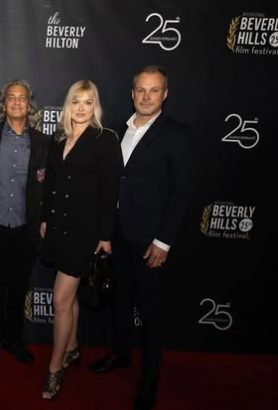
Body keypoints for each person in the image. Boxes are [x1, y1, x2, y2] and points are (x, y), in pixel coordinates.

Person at [89, 65, 194, 410]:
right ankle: (120, 354)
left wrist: (163, 242)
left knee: (151, 314)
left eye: (154, 90)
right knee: (119, 302)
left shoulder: (176, 135)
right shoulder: (119, 130)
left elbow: (181, 193)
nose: (146, 96)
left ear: (165, 94)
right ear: (132, 93)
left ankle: (148, 383)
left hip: (150, 241)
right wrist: (105, 232)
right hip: (117, 236)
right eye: (141, 90)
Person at [39, 80, 122, 399]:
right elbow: (50, 183)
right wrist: (45, 217)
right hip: (57, 228)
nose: (82, 108)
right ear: (68, 105)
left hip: (84, 233)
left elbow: (110, 192)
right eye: (76, 101)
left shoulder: (105, 139)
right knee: (69, 297)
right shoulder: (59, 138)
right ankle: (72, 347)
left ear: (95, 106)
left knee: (60, 300)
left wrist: (105, 236)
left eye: (88, 102)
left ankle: (54, 368)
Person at [0, 79, 50, 365]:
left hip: (26, 226)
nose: (17, 102)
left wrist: (44, 219)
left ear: (30, 104)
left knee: (19, 287)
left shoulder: (42, 141)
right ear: (3, 104)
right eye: (11, 97)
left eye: (22, 97)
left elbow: (48, 185)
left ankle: (13, 339)